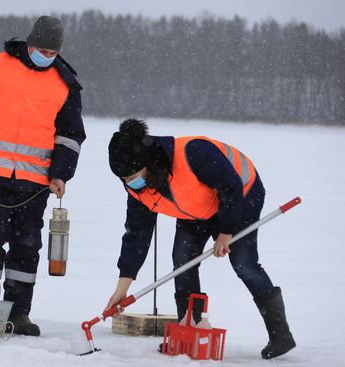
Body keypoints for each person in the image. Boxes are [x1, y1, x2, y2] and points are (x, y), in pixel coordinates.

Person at [104, 119, 295, 359]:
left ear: (148, 162)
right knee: (183, 259)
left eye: (132, 176)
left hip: (241, 196)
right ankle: (189, 331)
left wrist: (226, 233)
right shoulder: (137, 189)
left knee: (243, 263)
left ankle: (280, 334)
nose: (129, 183)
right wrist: (122, 289)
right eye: (123, 179)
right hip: (197, 208)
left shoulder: (194, 153)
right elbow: (136, 235)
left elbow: (231, 186)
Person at [0, 16, 85, 336]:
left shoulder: (66, 82)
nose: (46, 56)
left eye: (52, 53)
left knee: (27, 247)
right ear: (29, 43)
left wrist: (61, 175)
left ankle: (17, 313)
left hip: (35, 183)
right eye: (41, 49)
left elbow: (70, 136)